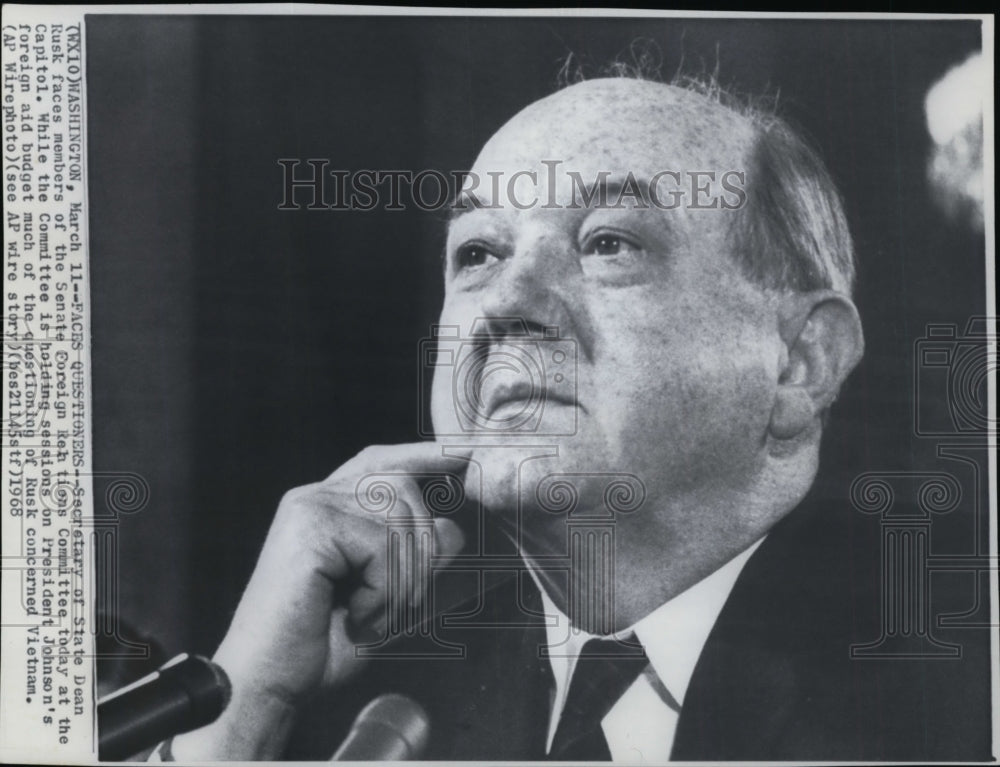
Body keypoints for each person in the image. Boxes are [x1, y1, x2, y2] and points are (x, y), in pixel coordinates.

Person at [169, 75, 989, 762]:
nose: (507, 304)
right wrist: (247, 704)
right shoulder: (364, 699)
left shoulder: (962, 687)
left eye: (609, 242)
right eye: (478, 253)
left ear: (799, 360)